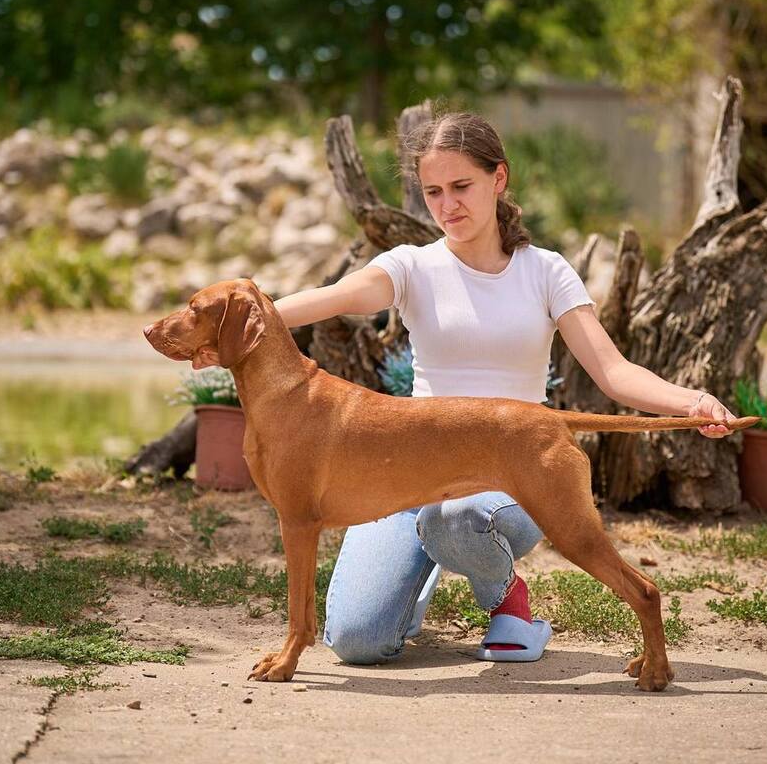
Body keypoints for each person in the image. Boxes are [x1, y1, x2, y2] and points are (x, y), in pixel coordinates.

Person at [263, 111, 738, 665]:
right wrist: (244, 319)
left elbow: (613, 372)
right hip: (404, 473)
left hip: (509, 474)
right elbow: (333, 298)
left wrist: (693, 402)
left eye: (461, 186)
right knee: (356, 640)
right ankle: (414, 583)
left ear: (499, 178)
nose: (448, 205)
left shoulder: (546, 271)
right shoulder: (411, 267)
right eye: (433, 192)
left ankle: (509, 601)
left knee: (457, 519)